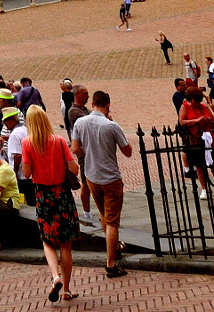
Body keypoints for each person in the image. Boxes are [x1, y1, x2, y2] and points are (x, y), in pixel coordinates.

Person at [21, 104, 80, 301]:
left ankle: (55, 277)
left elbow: (27, 173)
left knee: (47, 240)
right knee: (65, 244)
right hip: (62, 193)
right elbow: (74, 169)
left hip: (43, 196)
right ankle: (67, 289)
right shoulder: (59, 141)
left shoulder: (27, 143)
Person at [71, 92, 132, 277]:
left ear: (92, 103)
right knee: (112, 220)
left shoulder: (80, 123)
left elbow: (74, 149)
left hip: (92, 176)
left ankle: (114, 247)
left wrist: (89, 154)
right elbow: (127, 151)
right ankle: (111, 263)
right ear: (107, 104)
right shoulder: (111, 126)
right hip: (110, 177)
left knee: (105, 216)